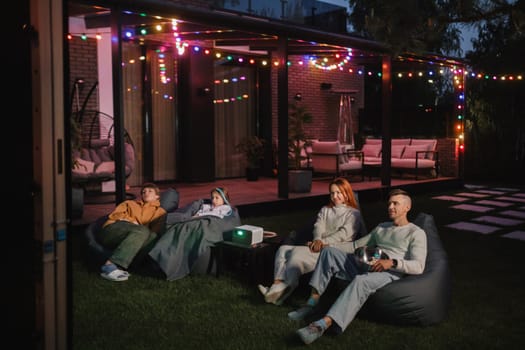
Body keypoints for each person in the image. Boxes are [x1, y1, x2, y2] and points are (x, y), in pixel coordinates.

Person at [291, 188, 427, 345]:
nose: (390, 207)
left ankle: (322, 325)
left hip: (389, 271)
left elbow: (419, 266)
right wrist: (325, 245)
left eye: (395, 203)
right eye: (389, 203)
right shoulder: (382, 227)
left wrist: (393, 262)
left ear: (407, 207)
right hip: (369, 263)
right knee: (329, 253)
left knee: (360, 281)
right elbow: (355, 245)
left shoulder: (416, 233)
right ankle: (311, 304)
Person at [258, 177, 366, 306]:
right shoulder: (325, 210)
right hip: (318, 244)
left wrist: (322, 243)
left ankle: (277, 291)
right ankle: (277, 285)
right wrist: (317, 240)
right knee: (283, 249)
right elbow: (318, 226)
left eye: (339, 192)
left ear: (346, 193)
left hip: (333, 249)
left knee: (296, 254)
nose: (335, 196)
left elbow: (344, 235)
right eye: (332, 193)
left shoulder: (353, 214)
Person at [96, 182, 167, 281]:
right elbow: (114, 215)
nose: (146, 193)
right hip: (112, 230)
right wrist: (130, 220)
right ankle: (109, 267)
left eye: (150, 191)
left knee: (152, 236)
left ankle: (127, 266)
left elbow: (155, 230)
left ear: (157, 196)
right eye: (143, 192)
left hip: (134, 236)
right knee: (142, 231)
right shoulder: (129, 203)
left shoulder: (160, 212)